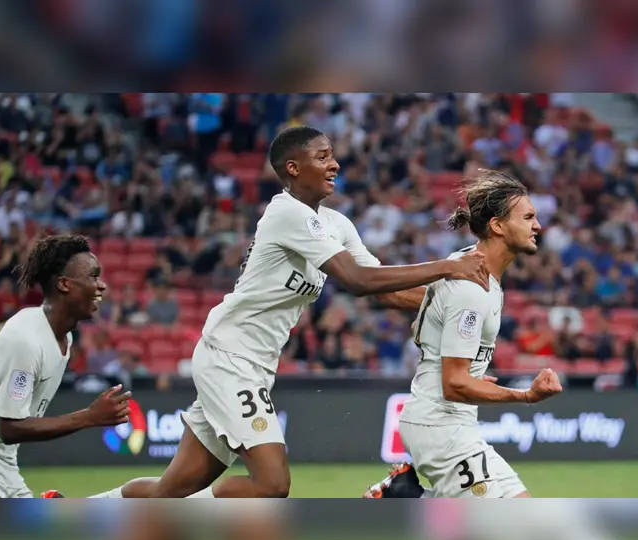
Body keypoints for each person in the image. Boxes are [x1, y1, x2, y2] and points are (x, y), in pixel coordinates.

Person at [81, 125, 490, 499]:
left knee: (173, 490)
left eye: (333, 155)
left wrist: (454, 305)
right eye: (323, 156)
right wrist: (449, 267)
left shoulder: (335, 223)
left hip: (254, 363)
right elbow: (355, 280)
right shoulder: (286, 213)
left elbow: (381, 287)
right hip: (230, 356)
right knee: (273, 485)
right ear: (293, 168)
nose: (335, 163)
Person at [364, 169, 563, 499]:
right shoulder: (471, 286)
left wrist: (471, 372)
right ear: (497, 225)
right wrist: (527, 396)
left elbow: (429, 313)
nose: (537, 226)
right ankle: (400, 498)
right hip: (440, 427)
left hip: (453, 423)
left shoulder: (471, 269)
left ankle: (402, 494)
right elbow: (454, 384)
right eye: (528, 217)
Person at [0, 234, 132, 498]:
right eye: (93, 276)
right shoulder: (27, 340)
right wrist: (89, 417)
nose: (102, 285)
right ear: (64, 284)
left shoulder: (65, 337)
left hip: (3, 460)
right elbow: (9, 427)